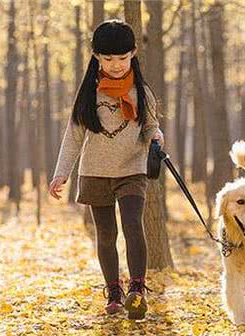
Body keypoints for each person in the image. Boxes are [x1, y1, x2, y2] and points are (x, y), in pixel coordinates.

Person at [49, 19, 164, 320]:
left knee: (132, 224)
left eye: (123, 58)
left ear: (134, 54)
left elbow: (152, 125)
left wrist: (156, 137)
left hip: (132, 170)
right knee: (105, 233)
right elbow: (73, 135)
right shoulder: (89, 93)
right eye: (108, 58)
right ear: (97, 57)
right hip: (95, 172)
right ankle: (113, 291)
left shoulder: (143, 93)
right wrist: (62, 173)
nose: (116, 65)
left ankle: (137, 290)